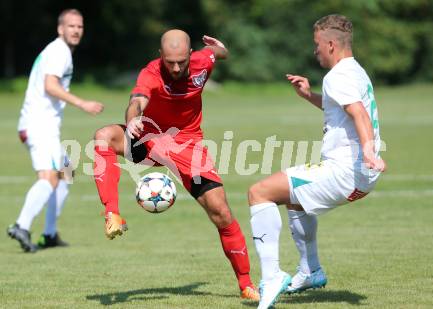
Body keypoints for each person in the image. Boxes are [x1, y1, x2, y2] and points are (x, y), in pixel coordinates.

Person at [93, 29, 259, 301]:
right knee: (103, 137)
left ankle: (246, 285)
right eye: (169, 62)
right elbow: (137, 100)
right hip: (149, 138)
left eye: (181, 61)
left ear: (190, 55)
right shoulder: (151, 73)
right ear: (160, 56)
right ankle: (112, 214)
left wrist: (221, 48)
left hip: (187, 145)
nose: (175, 67)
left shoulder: (203, 61)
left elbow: (219, 53)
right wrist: (133, 119)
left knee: (221, 213)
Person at [248, 14, 387, 309]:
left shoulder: (338, 75)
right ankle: (310, 270)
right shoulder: (355, 72)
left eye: (317, 45)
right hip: (358, 173)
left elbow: (359, 113)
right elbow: (339, 106)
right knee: (295, 199)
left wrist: (368, 150)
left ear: (332, 44)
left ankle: (271, 276)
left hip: (346, 170)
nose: (315, 51)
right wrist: (308, 95)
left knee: (259, 192)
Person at [7, 9, 104, 253]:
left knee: (66, 171)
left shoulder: (59, 51)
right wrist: (82, 103)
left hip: (44, 124)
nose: (76, 30)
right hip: (39, 125)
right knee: (49, 178)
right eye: (71, 26)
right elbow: (50, 85)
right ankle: (21, 225)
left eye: (80, 26)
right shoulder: (58, 51)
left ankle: (49, 233)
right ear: (60, 29)